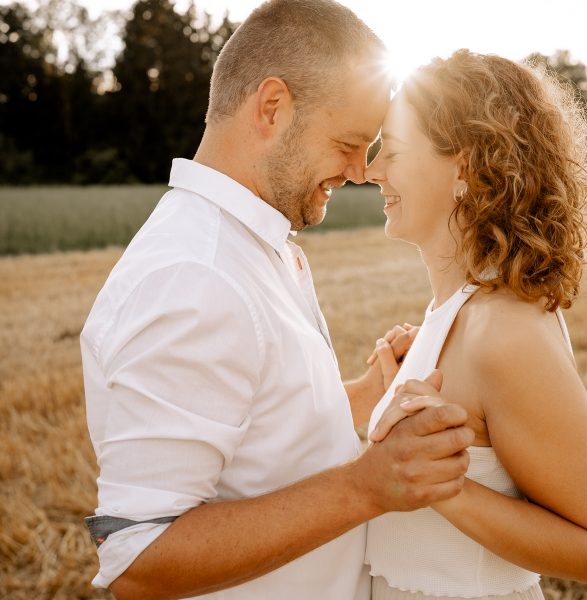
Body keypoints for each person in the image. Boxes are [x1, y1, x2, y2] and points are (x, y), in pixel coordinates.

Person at [80, 2, 474, 599]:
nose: (361, 171)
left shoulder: (257, 245)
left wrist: (366, 399)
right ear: (272, 107)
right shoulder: (194, 276)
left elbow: (255, 437)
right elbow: (139, 558)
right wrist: (365, 487)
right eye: (348, 142)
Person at [363, 50, 587, 599]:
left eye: (395, 150)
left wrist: (440, 484)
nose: (370, 169)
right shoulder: (451, 314)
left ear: (466, 168)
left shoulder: (506, 332)